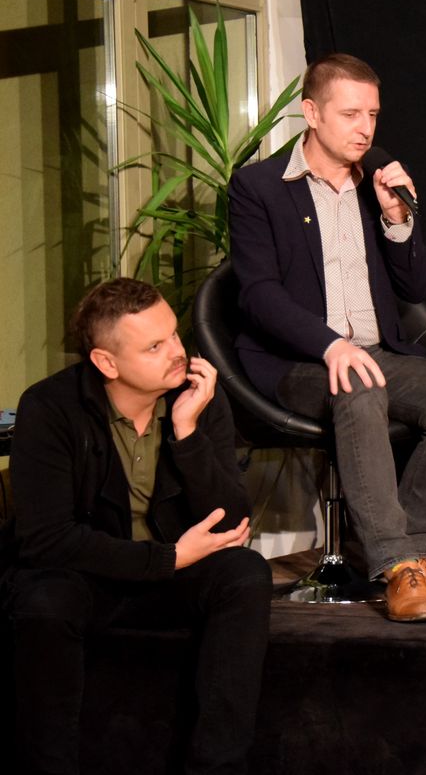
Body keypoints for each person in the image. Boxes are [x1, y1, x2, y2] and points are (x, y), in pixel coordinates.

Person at [228, 53, 426, 623]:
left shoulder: (377, 182)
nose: (365, 128)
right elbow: (257, 294)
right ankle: (396, 566)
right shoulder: (260, 186)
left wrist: (397, 218)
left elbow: (416, 285)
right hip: (296, 359)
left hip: (375, 350)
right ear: (311, 112)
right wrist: (329, 345)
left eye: (372, 114)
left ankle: (410, 554)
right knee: (358, 387)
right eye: (350, 114)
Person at [1, 278, 271, 774]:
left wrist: (187, 432)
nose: (177, 353)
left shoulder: (197, 395)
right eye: (153, 346)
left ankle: (218, 768)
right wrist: (169, 557)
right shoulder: (50, 407)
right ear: (106, 362)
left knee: (245, 574)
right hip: (89, 577)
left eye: (173, 335)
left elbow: (233, 522)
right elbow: (45, 540)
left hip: (171, 578)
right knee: (44, 599)